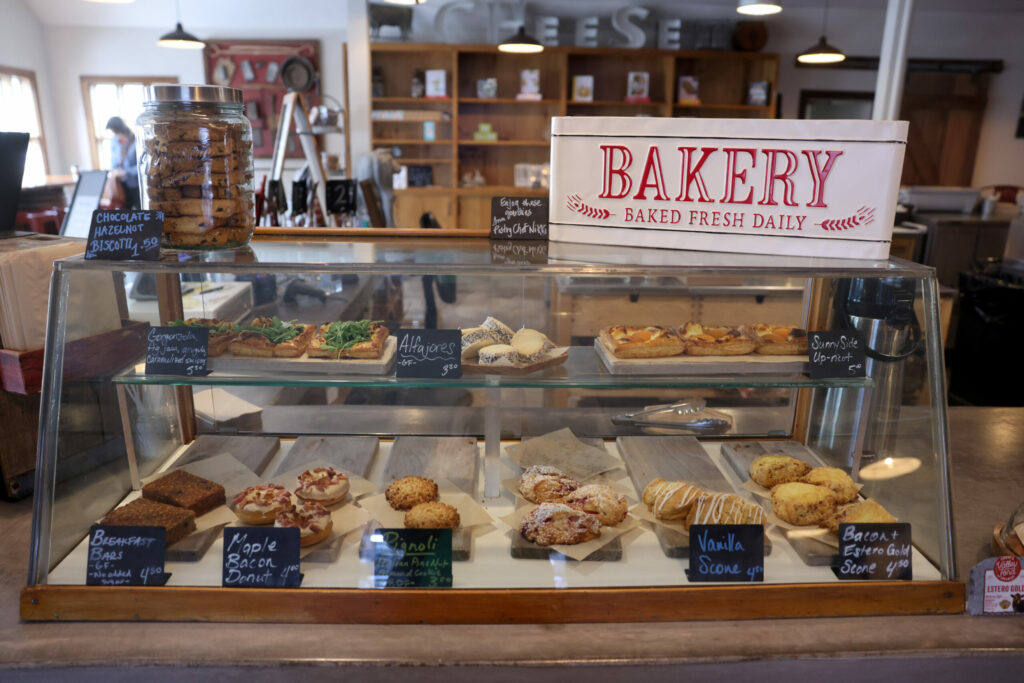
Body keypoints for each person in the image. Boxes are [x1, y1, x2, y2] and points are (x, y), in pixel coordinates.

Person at [105, 116, 140, 209]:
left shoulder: (136, 140)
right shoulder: (114, 141)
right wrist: (114, 170)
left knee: (140, 211)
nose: (115, 135)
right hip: (120, 184)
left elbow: (141, 166)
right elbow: (113, 160)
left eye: (115, 132)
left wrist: (126, 172)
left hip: (135, 183)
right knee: (124, 212)